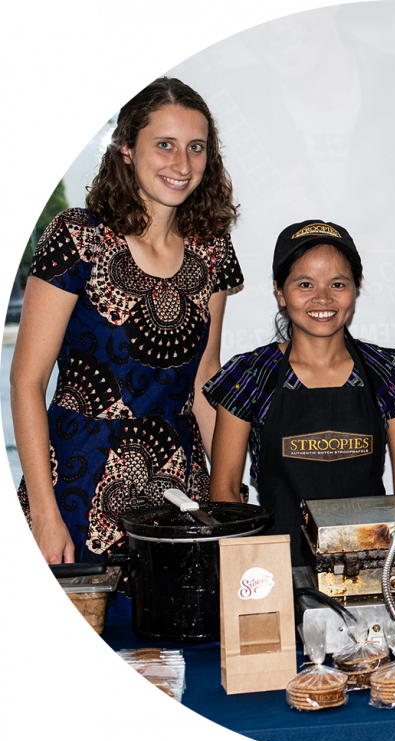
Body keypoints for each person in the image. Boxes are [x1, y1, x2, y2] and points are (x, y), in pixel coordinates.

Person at [11, 78, 243, 565]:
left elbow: (205, 380)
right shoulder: (77, 235)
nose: (182, 165)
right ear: (125, 150)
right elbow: (27, 382)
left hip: (179, 488)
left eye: (195, 148)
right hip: (76, 479)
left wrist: (226, 495)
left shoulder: (212, 247)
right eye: (164, 145)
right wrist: (45, 516)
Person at [203, 220, 395, 565]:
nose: (322, 298)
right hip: (277, 566)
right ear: (280, 292)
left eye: (338, 284)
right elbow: (225, 491)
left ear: (355, 290)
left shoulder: (386, 371)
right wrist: (249, 570)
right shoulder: (249, 375)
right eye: (304, 284)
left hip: (369, 565)